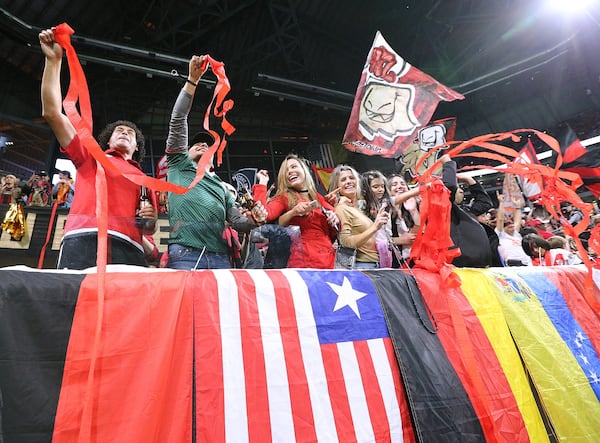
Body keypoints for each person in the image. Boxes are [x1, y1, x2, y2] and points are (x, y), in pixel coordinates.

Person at [39, 28, 158, 269]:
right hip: (83, 238)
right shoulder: (90, 157)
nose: (125, 132)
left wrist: (151, 220)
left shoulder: (145, 180)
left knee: (122, 309)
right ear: (108, 141)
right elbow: (52, 113)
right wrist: (53, 62)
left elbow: (149, 227)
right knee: (74, 305)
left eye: (131, 133)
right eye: (119, 131)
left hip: (129, 246)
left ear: (136, 148)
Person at [165, 55, 261, 270]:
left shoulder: (222, 188)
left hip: (220, 257)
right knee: (187, 305)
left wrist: (254, 220)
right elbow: (178, 119)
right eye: (195, 144)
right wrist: (192, 81)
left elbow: (238, 222)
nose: (201, 145)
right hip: (184, 253)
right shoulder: (178, 163)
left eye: (206, 145)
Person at [253, 154, 339, 268]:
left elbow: (335, 231)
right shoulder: (284, 197)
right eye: (286, 171)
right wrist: (262, 183)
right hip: (303, 263)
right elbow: (261, 215)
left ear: (304, 170)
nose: (290, 171)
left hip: (329, 262)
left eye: (294, 167)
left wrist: (335, 219)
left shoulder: (318, 197)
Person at [328, 164, 389, 269]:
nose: (348, 181)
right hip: (362, 266)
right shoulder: (342, 208)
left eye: (351, 178)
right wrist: (375, 227)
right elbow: (346, 243)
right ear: (336, 187)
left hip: (373, 264)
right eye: (343, 180)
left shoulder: (358, 208)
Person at [440, 154, 493, 267]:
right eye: (458, 188)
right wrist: (448, 163)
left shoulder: (467, 211)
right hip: (461, 268)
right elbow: (449, 187)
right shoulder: (445, 210)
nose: (461, 191)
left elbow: (485, 203)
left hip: (480, 267)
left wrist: (469, 180)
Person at [387, 173, 421, 267]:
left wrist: (413, 211)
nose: (400, 186)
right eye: (394, 184)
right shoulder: (385, 210)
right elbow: (378, 240)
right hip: (394, 263)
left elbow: (415, 235)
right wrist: (399, 240)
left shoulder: (413, 206)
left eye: (402, 184)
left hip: (414, 260)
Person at [495, 193, 532, 266]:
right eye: (507, 224)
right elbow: (500, 219)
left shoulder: (516, 234)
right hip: (512, 266)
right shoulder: (500, 235)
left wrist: (518, 207)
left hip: (528, 264)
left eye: (511, 222)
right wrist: (501, 203)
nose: (510, 224)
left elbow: (517, 220)